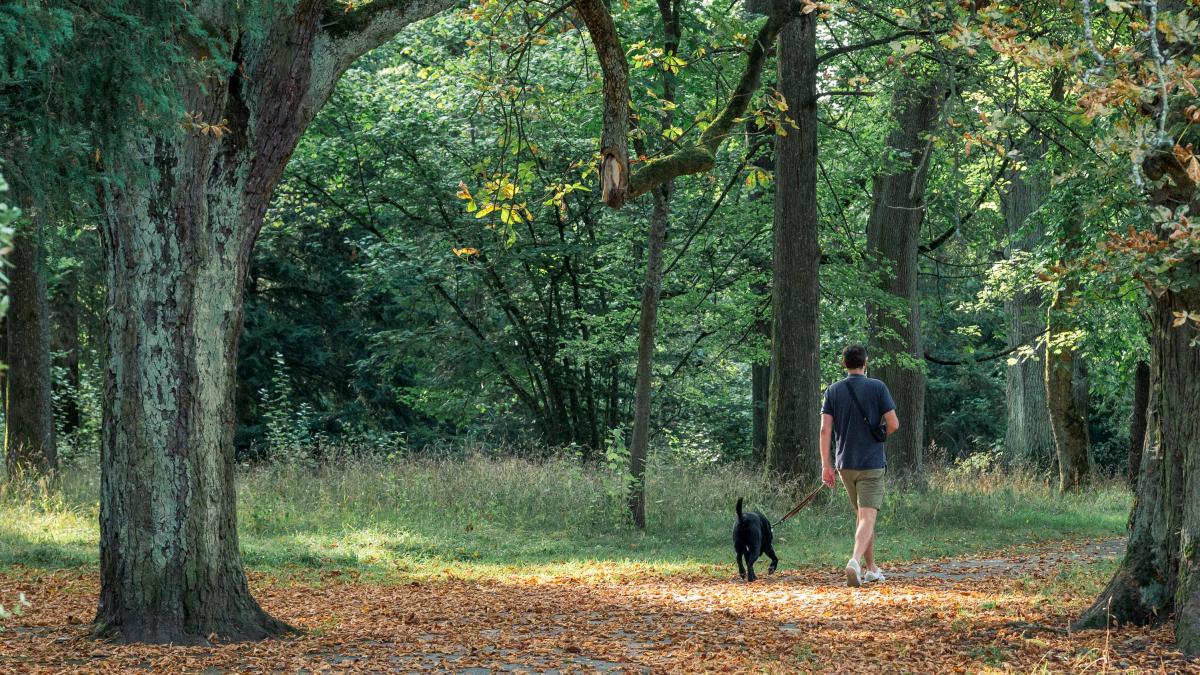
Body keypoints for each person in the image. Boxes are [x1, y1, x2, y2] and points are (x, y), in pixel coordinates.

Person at [819, 344, 900, 588]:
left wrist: (826, 465)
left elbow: (825, 430)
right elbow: (893, 423)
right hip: (871, 463)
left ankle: (872, 569)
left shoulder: (833, 391)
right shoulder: (877, 387)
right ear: (865, 362)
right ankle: (854, 561)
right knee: (867, 517)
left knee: (863, 517)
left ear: (844, 364)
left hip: (845, 464)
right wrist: (880, 435)